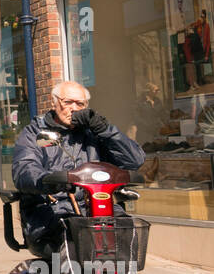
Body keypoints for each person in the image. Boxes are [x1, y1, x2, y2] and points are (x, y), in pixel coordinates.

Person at [11, 80, 145, 259]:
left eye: (80, 104)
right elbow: (24, 169)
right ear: (54, 102)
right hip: (51, 212)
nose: (74, 108)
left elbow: (134, 161)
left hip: (95, 210)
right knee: (73, 242)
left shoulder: (93, 133)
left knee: (126, 233)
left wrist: (105, 129)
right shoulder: (35, 132)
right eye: (67, 102)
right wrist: (50, 181)